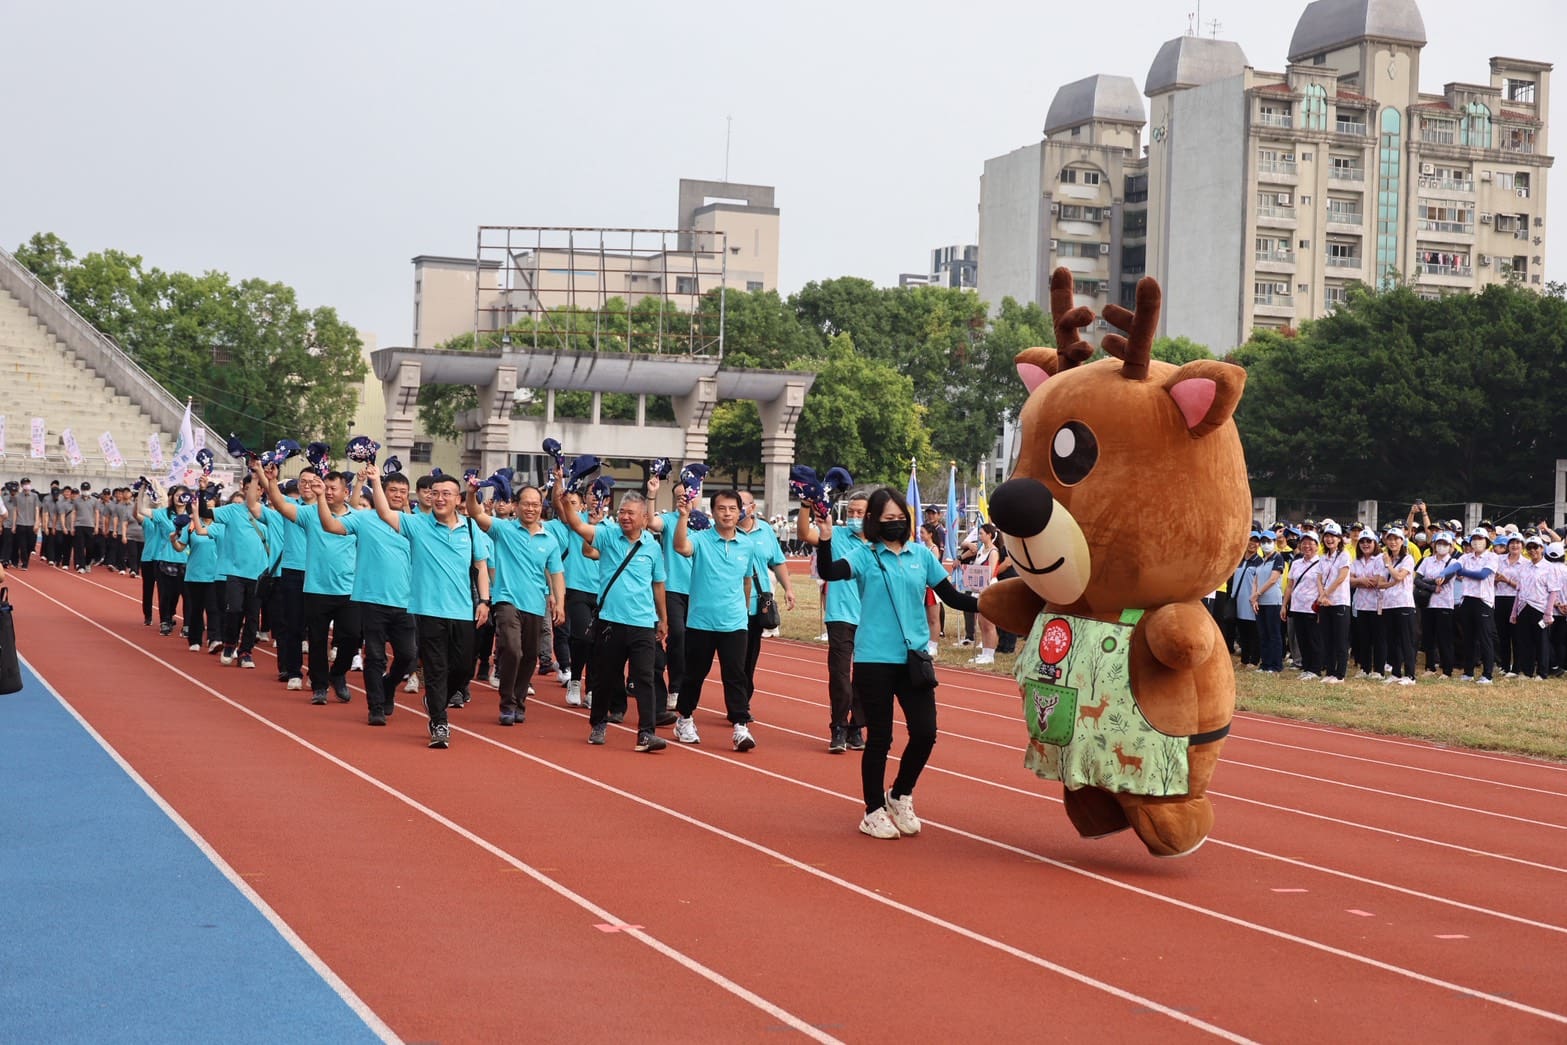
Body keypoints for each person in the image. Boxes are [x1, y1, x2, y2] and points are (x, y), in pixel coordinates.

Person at [814, 488, 978, 840]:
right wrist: (825, 538)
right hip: (875, 659)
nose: (895, 523)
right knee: (881, 739)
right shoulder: (863, 556)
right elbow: (829, 570)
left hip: (913, 659)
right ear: (873, 521)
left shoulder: (921, 555)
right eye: (887, 519)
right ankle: (872, 810)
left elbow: (951, 596)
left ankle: (900, 794)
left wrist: (993, 604)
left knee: (925, 733)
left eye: (900, 518)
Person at [369, 470, 489, 748]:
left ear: (458, 499)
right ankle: (439, 722)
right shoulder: (417, 525)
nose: (439, 498)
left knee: (462, 670)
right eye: (434, 493)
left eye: (446, 493)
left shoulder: (470, 529)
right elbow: (386, 514)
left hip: (462, 611)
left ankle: (436, 700)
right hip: (428, 610)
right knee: (436, 668)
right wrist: (375, 481)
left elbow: (481, 567)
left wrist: (484, 601)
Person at [552, 476, 668, 752]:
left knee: (645, 678)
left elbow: (659, 584)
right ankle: (598, 723)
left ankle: (646, 733)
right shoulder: (606, 535)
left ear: (644, 517)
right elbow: (577, 525)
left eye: (631, 513)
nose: (625, 517)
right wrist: (567, 496)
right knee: (606, 676)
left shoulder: (652, 546)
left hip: (642, 623)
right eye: (622, 512)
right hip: (610, 622)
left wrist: (662, 619)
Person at [321, 467, 416, 726]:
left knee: (408, 655)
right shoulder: (364, 519)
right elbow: (330, 525)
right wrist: (321, 496)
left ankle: (388, 685)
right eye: (392, 490)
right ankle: (375, 706)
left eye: (402, 492)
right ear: (381, 493)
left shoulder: (414, 524)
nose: (398, 495)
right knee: (375, 656)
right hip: (372, 599)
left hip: (406, 601)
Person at [671, 489, 763, 750]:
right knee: (694, 675)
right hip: (701, 622)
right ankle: (685, 718)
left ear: (739, 512)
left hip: (734, 623)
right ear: (713, 512)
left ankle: (740, 727)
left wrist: (744, 614)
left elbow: (746, 581)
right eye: (722, 508)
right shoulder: (700, 540)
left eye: (732, 509)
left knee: (736, 675)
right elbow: (681, 547)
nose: (727, 513)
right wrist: (682, 517)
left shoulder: (747, 544)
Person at [467, 480, 564, 727]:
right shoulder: (504, 529)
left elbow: (556, 574)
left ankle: (519, 701)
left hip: (535, 604)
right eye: (525, 504)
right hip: (507, 600)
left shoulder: (549, 540)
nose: (530, 508)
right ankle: (507, 703)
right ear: (515, 506)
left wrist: (559, 602)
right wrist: (472, 493)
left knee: (529, 657)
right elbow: (477, 514)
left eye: (535, 504)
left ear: (541, 507)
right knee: (512, 649)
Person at [267, 468, 360, 705]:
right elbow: (281, 505)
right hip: (316, 588)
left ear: (345, 492)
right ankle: (320, 685)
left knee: (351, 637)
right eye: (325, 487)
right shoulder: (310, 513)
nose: (327, 492)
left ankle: (337, 673)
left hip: (348, 588)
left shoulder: (356, 517)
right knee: (317, 640)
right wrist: (271, 480)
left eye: (332, 488)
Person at [736, 490, 795, 702]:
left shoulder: (766, 532)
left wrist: (788, 588)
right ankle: (736, 700)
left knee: (749, 657)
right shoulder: (725, 531)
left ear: (753, 507)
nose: (738, 508)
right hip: (731, 604)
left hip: (757, 604)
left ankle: (742, 702)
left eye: (742, 504)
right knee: (733, 657)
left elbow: (777, 561)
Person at [1454, 529, 1497, 684]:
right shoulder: (1466, 557)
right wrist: (1442, 574)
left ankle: (1487, 674)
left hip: (1483, 601)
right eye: (1474, 538)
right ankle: (1468, 672)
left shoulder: (1492, 557)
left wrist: (1463, 571)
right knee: (1469, 638)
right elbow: (1454, 568)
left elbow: (1482, 575)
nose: (1477, 541)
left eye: (1480, 538)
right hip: (1467, 600)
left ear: (1486, 541)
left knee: (1485, 638)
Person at [1281, 531, 1325, 680]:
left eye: (1310, 543)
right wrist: (1284, 605)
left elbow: (1324, 586)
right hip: (1297, 606)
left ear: (1317, 546)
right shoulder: (1296, 563)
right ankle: (1306, 667)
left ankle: (1315, 669)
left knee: (1314, 639)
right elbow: (1289, 585)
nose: (1307, 546)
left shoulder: (1322, 564)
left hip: (1312, 607)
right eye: (1304, 543)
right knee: (1301, 639)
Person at [1378, 529, 1418, 686]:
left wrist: (1389, 566)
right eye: (1390, 539)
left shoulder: (1407, 559)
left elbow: (1400, 576)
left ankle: (1410, 675)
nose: (1393, 542)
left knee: (1406, 640)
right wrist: (1391, 582)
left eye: (1396, 539)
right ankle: (1395, 672)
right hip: (1388, 604)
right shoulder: (1387, 560)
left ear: (1402, 541)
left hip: (1404, 604)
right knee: (1392, 640)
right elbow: (1380, 583)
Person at [1416, 532, 1458, 678]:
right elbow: (1417, 579)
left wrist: (1428, 581)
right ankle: (1430, 666)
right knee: (1428, 637)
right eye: (1439, 543)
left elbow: (1443, 580)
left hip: (1444, 604)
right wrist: (1432, 586)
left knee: (1444, 638)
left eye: (1445, 544)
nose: (1441, 547)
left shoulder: (1452, 563)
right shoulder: (1427, 560)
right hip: (1428, 604)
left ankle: (1447, 670)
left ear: (1450, 546)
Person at [1315, 523, 1352, 684]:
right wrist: (1322, 595)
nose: (1329, 539)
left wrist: (1325, 594)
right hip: (1325, 602)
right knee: (1327, 638)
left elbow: (1341, 577)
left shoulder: (1344, 555)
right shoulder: (1323, 557)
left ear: (1339, 539)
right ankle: (1330, 671)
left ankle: (1340, 674)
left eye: (1333, 536)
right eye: (1327, 536)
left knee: (1340, 639)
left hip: (1339, 602)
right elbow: (1319, 578)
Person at [1348, 531, 1385, 677]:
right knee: (1363, 638)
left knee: (1378, 638)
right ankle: (1365, 668)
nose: (1365, 544)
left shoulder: (1380, 559)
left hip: (1377, 603)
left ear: (1375, 543)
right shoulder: (1356, 561)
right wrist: (1361, 581)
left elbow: (1376, 581)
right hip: (1361, 604)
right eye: (1362, 541)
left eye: (1368, 541)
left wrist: (1358, 580)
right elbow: (1349, 580)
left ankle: (1379, 669)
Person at [1252, 530, 1287, 673]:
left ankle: (1275, 664)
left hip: (1273, 601)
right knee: (1263, 633)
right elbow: (1256, 579)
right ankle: (1265, 663)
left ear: (1274, 542)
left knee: (1274, 634)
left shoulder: (1278, 558)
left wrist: (1258, 593)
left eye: (1269, 541)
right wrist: (1254, 597)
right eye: (1263, 542)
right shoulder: (1262, 560)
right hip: (1261, 602)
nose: (1266, 545)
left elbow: (1273, 579)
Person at [1230, 531, 1267, 669]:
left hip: (1252, 602)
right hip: (1238, 602)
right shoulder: (1239, 560)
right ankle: (1244, 660)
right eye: (1250, 539)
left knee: (1254, 633)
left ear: (1259, 545)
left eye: (1255, 541)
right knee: (1243, 632)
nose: (1252, 543)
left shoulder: (1259, 562)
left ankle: (1254, 660)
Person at [1494, 533, 1525, 677]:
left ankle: (1516, 667)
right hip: (1499, 598)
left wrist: (1507, 580)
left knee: (1517, 635)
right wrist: (1495, 579)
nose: (1514, 545)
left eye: (1518, 543)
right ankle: (1505, 665)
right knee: (1502, 635)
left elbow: (1524, 586)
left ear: (1522, 546)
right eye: (1512, 542)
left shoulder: (1525, 563)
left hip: (1516, 600)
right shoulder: (1499, 559)